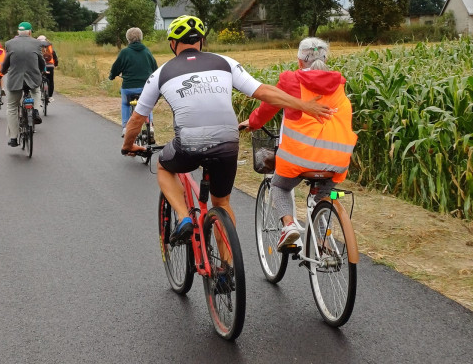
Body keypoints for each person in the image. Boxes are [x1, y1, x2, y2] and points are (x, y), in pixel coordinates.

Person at [122, 16, 333, 244]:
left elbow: (137, 119)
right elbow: (263, 92)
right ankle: (227, 270)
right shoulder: (225, 62)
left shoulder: (160, 74)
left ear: (173, 44)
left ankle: (183, 217)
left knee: (163, 166)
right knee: (221, 203)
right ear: (201, 41)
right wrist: (304, 105)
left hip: (189, 144)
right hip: (227, 142)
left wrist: (128, 146)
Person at [239, 37, 357, 249]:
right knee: (323, 195)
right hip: (337, 160)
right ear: (325, 58)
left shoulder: (291, 80)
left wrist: (253, 122)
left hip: (299, 158)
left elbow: (269, 106)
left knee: (278, 186)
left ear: (300, 61)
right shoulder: (339, 83)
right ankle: (322, 242)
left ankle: (289, 225)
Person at [1, 22, 46, 146]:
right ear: (30, 32)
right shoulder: (37, 43)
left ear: (18, 32)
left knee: (12, 107)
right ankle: (35, 111)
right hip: (33, 79)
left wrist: (3, 71)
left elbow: (7, 61)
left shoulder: (9, 44)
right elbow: (41, 61)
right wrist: (42, 69)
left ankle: (14, 138)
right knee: (36, 91)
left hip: (15, 80)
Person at [109, 27, 157, 138]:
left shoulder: (124, 52)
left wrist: (112, 76)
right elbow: (155, 68)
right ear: (141, 37)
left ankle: (126, 127)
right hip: (145, 87)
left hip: (128, 87)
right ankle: (150, 125)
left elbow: (115, 67)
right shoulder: (147, 51)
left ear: (128, 39)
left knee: (125, 104)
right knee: (147, 105)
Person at [37, 35, 59, 102]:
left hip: (40, 66)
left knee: (38, 79)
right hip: (50, 66)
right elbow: (54, 56)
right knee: (50, 81)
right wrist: (55, 64)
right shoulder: (50, 46)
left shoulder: (36, 46)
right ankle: (50, 96)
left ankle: (39, 94)